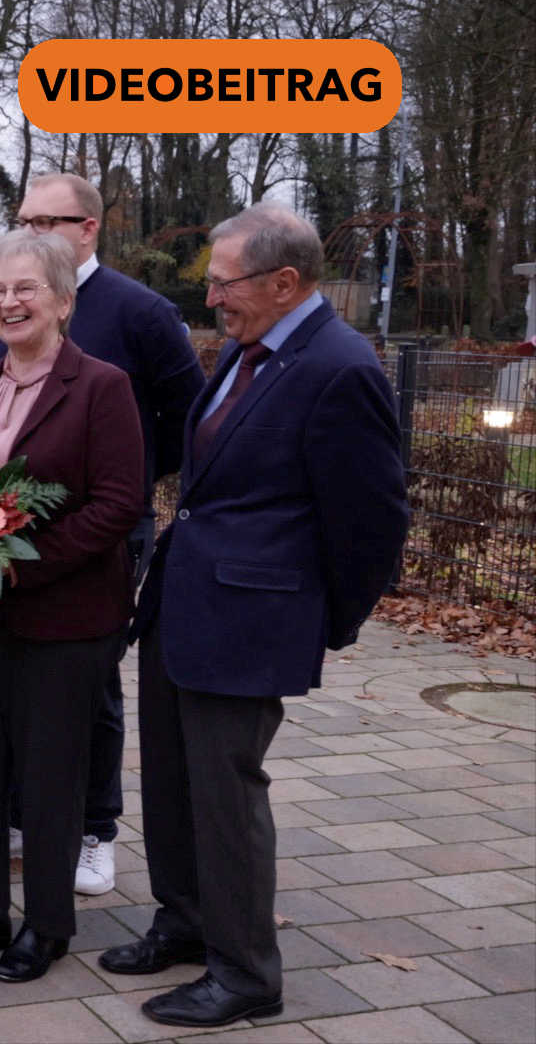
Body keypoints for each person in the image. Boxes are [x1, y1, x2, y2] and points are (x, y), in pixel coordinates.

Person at [102, 205, 408, 1029]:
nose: (211, 300)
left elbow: (373, 521)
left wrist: (322, 621)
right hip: (184, 606)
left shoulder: (339, 367)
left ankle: (245, 975)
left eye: (224, 283)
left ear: (285, 282)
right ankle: (185, 922)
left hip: (249, 622)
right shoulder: (250, 349)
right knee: (173, 782)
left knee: (226, 795)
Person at [0, 172, 206, 895]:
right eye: (24, 220)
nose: (32, 233)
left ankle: (95, 827)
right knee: (14, 680)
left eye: (49, 222)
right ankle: (27, 810)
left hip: (104, 527)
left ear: (89, 227)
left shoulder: (142, 311)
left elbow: (188, 414)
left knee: (88, 686)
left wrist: (133, 475)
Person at [0, 229, 144, 984]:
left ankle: (46, 924)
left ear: (64, 301)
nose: (9, 302)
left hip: (62, 617)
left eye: (26, 289)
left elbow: (119, 504)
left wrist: (16, 567)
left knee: (49, 776)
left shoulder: (102, 386)